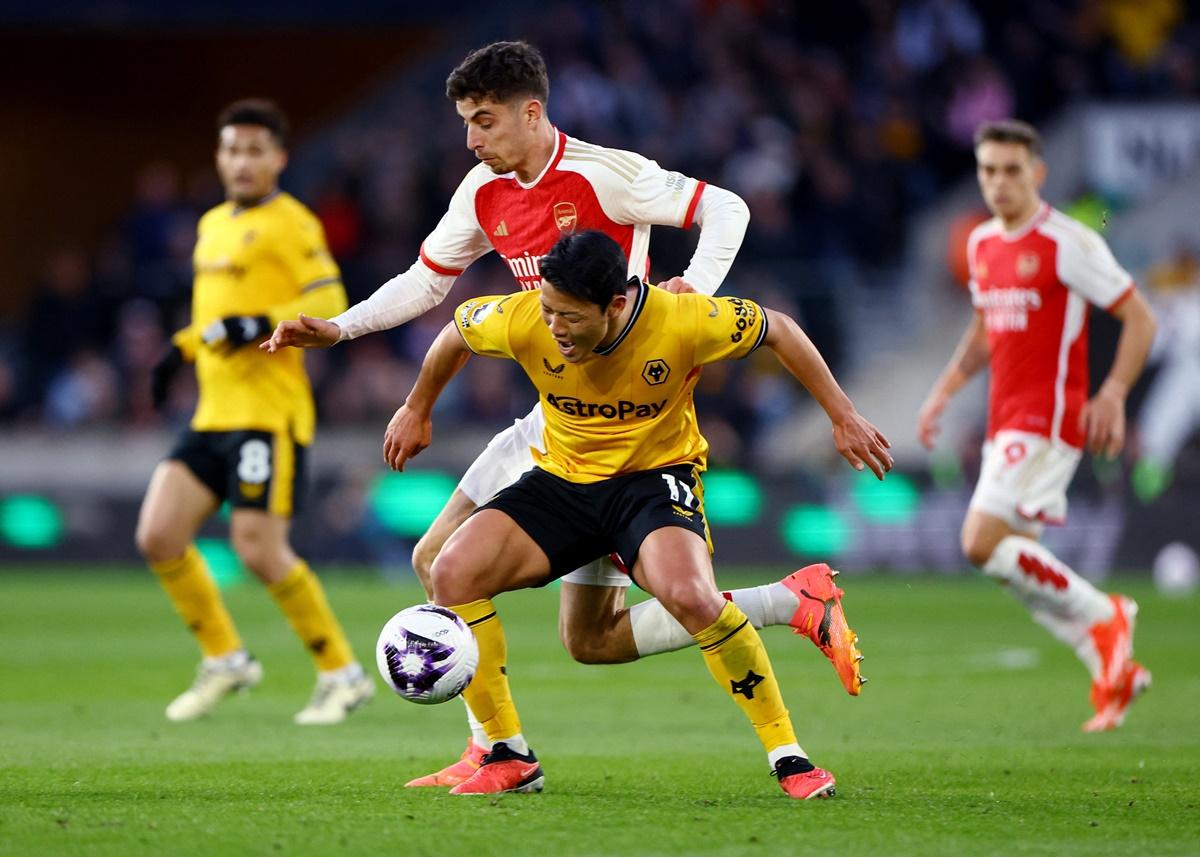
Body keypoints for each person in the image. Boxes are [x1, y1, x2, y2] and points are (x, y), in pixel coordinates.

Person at [264, 40, 868, 783]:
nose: (471, 140)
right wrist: (341, 327)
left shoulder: (606, 176)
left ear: (532, 111)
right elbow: (429, 286)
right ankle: (500, 748)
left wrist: (694, 287)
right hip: (555, 420)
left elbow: (726, 207)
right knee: (466, 577)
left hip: (638, 418)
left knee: (588, 621)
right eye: (465, 123)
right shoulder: (482, 193)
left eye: (483, 121)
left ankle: (504, 747)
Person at [385, 230, 892, 797]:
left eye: (571, 317)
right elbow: (455, 333)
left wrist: (842, 415)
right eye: (549, 312)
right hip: (564, 482)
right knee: (459, 576)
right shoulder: (524, 316)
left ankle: (789, 757)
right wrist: (415, 407)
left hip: (652, 483)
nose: (555, 329)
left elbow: (779, 329)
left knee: (692, 597)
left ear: (618, 304)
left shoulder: (682, 320)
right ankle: (506, 755)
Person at [136, 99, 374, 725]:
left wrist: (259, 323)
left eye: (254, 151)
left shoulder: (292, 223)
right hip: (212, 412)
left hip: (267, 414)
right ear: (219, 156)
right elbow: (217, 318)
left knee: (259, 550)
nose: (242, 162)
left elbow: (330, 296)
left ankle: (341, 674)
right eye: (232, 150)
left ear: (279, 158)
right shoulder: (212, 223)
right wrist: (178, 349)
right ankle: (226, 659)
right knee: (158, 535)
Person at [916, 119, 1158, 732]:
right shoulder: (981, 245)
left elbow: (1141, 319)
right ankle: (1110, 664)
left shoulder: (1068, 242)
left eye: (1011, 170)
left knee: (979, 541)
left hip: (1049, 419)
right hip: (1005, 420)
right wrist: (943, 392)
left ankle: (1108, 616)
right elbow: (983, 331)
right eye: (988, 170)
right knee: (1011, 562)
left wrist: (1114, 392)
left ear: (1037, 174)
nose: (998, 183)